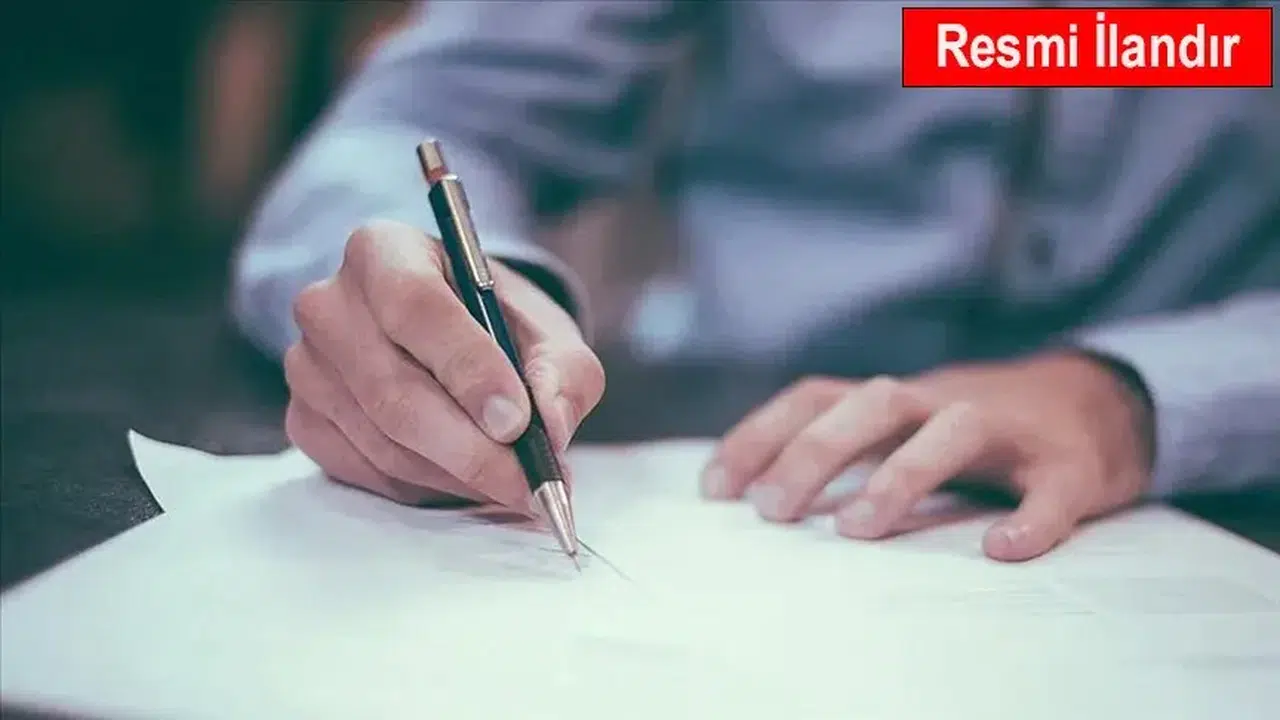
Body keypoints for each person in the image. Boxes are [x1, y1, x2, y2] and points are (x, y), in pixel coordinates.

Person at [230, 1, 1279, 562]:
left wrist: (1133, 396)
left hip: (1212, 487)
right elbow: (422, 118)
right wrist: (414, 310)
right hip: (732, 451)